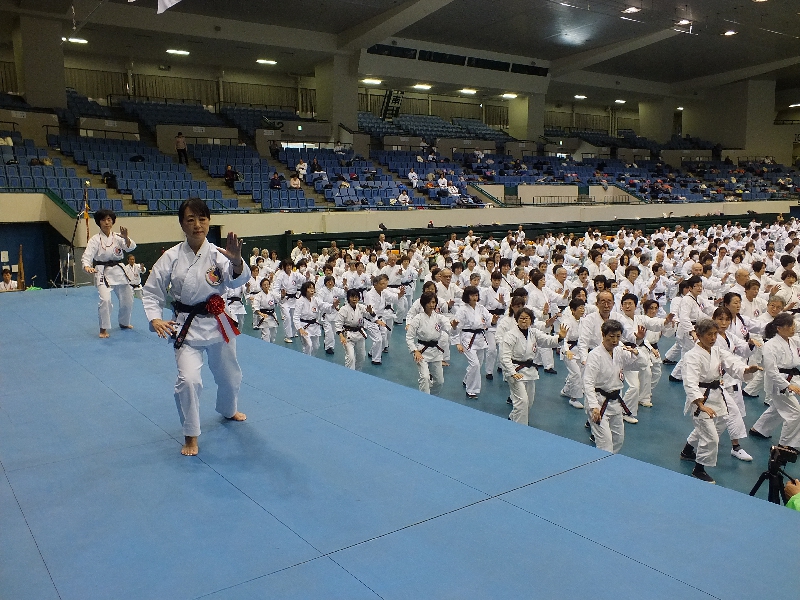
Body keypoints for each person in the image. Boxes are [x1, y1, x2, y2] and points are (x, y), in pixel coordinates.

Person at [142, 198, 248, 456]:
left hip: (218, 323)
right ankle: (190, 435)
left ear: (209, 222)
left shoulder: (219, 255)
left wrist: (236, 262)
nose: (197, 224)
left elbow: (235, 281)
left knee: (230, 376)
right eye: (191, 219)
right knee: (188, 381)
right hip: (186, 327)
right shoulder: (171, 257)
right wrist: (154, 318)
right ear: (182, 224)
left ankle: (228, 409)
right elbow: (152, 291)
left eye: (202, 219)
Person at [680, 319, 760, 483]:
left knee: (718, 424)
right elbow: (690, 382)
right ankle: (699, 469)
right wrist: (700, 404)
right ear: (699, 335)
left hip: (717, 395)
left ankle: (687, 451)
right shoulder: (692, 356)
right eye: (709, 334)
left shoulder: (717, 351)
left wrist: (746, 369)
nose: (713, 338)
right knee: (711, 437)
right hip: (701, 398)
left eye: (715, 334)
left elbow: (733, 363)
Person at [583, 320, 648, 454]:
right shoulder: (595, 355)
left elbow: (641, 365)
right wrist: (594, 406)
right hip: (599, 401)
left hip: (615, 402)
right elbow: (588, 382)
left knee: (618, 440)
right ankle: (602, 464)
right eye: (611, 336)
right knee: (605, 444)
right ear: (603, 335)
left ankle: (608, 462)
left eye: (618, 336)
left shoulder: (620, 351)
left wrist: (637, 353)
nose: (615, 340)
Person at [501, 307, 567, 425]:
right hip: (515, 370)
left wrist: (560, 337)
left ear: (531, 320)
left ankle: (512, 418)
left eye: (526, 318)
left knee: (529, 402)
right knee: (522, 402)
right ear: (517, 320)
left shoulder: (533, 332)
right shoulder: (510, 335)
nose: (524, 321)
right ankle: (520, 429)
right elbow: (504, 357)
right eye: (521, 318)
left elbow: (547, 340)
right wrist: (512, 372)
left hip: (529, 370)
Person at [81, 209, 136, 338]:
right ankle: (103, 329)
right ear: (99, 222)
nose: (107, 222)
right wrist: (87, 266)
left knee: (128, 298)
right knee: (105, 300)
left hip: (118, 270)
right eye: (103, 220)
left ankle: (124, 322)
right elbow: (87, 256)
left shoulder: (118, 237)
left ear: (113, 221)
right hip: (102, 270)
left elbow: (130, 247)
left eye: (109, 219)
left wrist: (126, 237)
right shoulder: (95, 240)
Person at [406, 291, 451, 395]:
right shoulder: (418, 318)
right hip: (422, 351)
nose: (432, 305)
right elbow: (409, 337)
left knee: (439, 381)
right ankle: (424, 399)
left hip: (435, 351)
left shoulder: (439, 317)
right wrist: (415, 351)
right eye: (429, 302)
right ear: (424, 303)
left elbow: (449, 328)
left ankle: (432, 397)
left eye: (434, 302)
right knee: (425, 377)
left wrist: (453, 326)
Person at [452, 285, 493, 399]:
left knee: (478, 364)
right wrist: (457, 343)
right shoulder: (462, 310)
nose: (475, 298)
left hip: (480, 338)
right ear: (467, 296)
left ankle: (467, 379)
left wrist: (493, 320)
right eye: (472, 295)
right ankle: (471, 390)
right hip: (467, 339)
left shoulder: (481, 308)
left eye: (476, 295)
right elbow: (457, 328)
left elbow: (489, 319)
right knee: (475, 364)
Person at [293, 281, 338, 355]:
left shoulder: (316, 299)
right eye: (309, 288)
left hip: (314, 326)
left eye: (313, 288)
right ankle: (306, 360)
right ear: (305, 290)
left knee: (316, 346)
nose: (312, 290)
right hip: (304, 326)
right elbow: (296, 317)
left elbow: (323, 305)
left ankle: (311, 359)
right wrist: (300, 329)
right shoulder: (300, 301)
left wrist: (332, 306)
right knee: (309, 345)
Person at [335, 288, 372, 371]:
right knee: (350, 357)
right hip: (348, 336)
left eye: (356, 297)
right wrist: (341, 336)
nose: (354, 299)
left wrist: (370, 312)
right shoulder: (344, 309)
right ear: (348, 298)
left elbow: (370, 316)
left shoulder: (361, 307)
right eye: (352, 297)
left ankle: (357, 373)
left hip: (359, 334)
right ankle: (349, 375)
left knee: (361, 357)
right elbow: (338, 324)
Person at [252, 277, 280, 343]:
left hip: (272, 315)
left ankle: (271, 346)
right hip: (263, 316)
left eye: (267, 284)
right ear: (261, 286)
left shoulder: (272, 294)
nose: (266, 286)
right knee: (266, 335)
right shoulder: (258, 295)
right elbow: (255, 306)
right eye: (264, 285)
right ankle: (266, 347)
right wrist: (261, 314)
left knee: (273, 335)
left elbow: (279, 300)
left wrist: (283, 296)